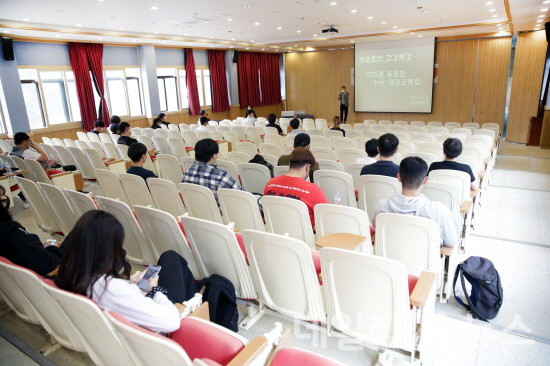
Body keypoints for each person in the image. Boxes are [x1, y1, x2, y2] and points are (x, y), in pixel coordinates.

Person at [55, 210, 195, 333]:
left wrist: (130, 285)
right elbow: (171, 322)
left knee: (171, 260)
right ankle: (195, 306)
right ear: (108, 249)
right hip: (163, 320)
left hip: (126, 314)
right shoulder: (112, 289)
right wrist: (155, 290)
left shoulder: (69, 272)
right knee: (172, 259)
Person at [372, 157, 459, 247]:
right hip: (426, 260)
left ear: (398, 177)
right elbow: (452, 241)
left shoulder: (382, 206)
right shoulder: (438, 210)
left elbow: (377, 231)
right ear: (425, 180)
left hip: (389, 259)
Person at [264, 147, 328, 226]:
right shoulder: (315, 191)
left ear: (290, 164)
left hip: (275, 234)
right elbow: (326, 221)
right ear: (307, 167)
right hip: (305, 237)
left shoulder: (270, 184)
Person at [0, 203, 66, 277]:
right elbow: (46, 264)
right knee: (79, 231)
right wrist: (52, 248)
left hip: (28, 274)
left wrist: (36, 247)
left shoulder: (9, 233)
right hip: (55, 268)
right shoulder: (11, 232)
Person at [182, 138, 243, 203]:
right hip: (219, 211)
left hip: (195, 211)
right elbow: (241, 194)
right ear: (214, 156)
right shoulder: (221, 176)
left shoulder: (187, 173)